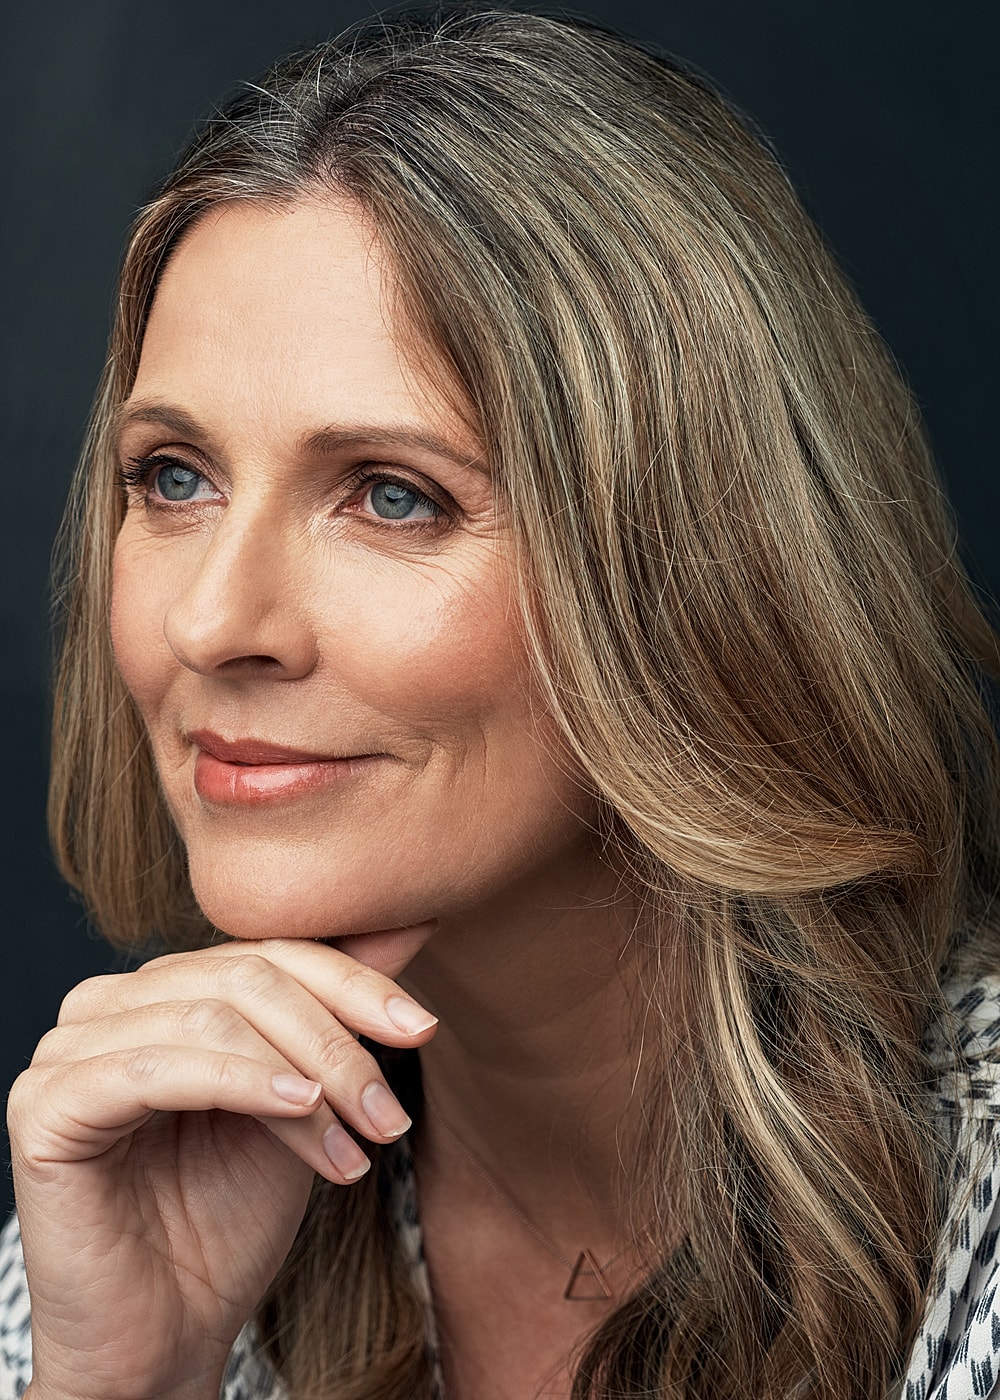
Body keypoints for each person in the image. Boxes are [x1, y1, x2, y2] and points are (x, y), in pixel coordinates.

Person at [2, 5, 999, 1397]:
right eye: (175, 477)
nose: (211, 621)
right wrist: (123, 1381)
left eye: (392, 496)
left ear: (692, 572)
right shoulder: (118, 1210)